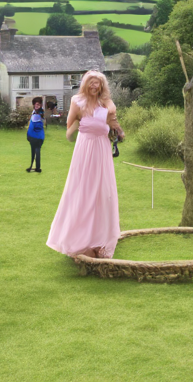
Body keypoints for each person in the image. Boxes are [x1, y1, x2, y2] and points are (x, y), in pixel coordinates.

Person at [46, 70, 124, 258]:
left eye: (98, 83)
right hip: (84, 149)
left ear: (102, 86)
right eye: (91, 82)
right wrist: (83, 125)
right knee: (83, 191)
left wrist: (110, 117)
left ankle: (101, 238)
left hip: (102, 149)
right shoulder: (76, 101)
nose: (94, 86)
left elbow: (112, 112)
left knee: (103, 193)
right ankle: (80, 240)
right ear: (85, 84)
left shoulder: (105, 102)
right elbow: (70, 125)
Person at [26, 101, 45, 173]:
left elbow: (32, 126)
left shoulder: (36, 115)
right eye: (36, 104)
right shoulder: (37, 113)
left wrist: (28, 135)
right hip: (39, 136)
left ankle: (33, 167)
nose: (37, 106)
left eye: (38, 104)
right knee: (37, 151)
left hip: (35, 136)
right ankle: (37, 167)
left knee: (34, 151)